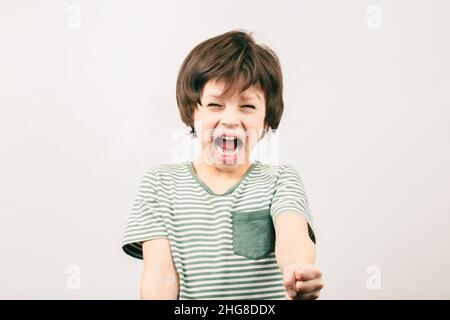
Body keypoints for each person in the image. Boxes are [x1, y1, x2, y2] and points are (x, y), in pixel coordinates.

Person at [122, 29, 324, 300]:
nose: (230, 119)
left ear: (266, 119)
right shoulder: (160, 184)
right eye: (215, 104)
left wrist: (298, 270)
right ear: (192, 112)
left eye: (248, 107)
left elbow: (293, 236)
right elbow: (161, 277)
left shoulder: (280, 180)